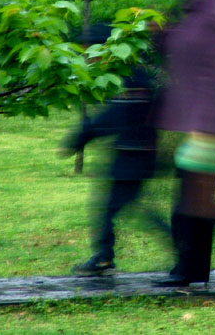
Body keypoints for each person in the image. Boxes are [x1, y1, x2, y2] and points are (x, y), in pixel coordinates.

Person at [153, 0, 215, 287]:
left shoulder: (213, 14)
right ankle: (193, 269)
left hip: (205, 122)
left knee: (191, 201)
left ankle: (187, 269)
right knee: (194, 197)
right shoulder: (198, 9)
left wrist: (201, 122)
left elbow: (214, 74)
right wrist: (161, 35)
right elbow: (183, 54)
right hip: (197, 120)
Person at [61, 66, 158, 276]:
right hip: (133, 155)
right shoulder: (129, 71)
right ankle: (103, 257)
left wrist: (80, 137)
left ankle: (103, 258)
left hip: (133, 158)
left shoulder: (129, 73)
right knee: (121, 208)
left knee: (111, 209)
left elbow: (114, 115)